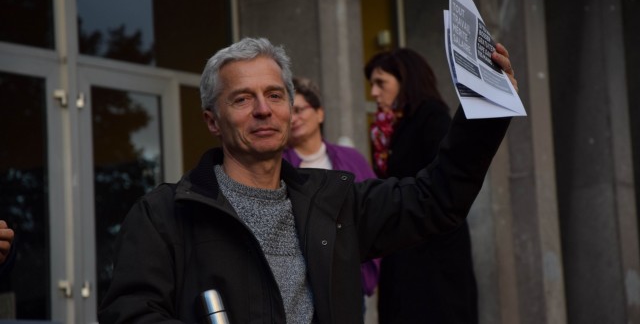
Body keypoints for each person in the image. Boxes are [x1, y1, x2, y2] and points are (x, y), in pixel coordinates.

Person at [98, 37, 515, 323]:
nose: (263, 109)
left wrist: (489, 108)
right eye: (242, 98)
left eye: (276, 95)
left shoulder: (335, 204)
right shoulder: (163, 216)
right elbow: (130, 314)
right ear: (212, 120)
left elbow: (436, 199)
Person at [365, 47, 484, 323]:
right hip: (403, 249)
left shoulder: (432, 118)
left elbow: (447, 182)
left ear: (406, 80)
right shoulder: (388, 131)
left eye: (381, 83)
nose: (373, 93)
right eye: (372, 84)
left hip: (434, 257)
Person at [282, 76, 381, 300]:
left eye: (299, 110)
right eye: (289, 114)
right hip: (303, 284)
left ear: (319, 113)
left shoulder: (351, 159)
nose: (294, 119)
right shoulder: (279, 166)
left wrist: (369, 267)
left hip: (349, 276)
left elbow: (374, 211)